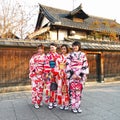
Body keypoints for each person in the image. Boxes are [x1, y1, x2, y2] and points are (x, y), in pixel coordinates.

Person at [68, 41, 89, 113]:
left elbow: (85, 65)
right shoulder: (70, 55)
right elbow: (68, 65)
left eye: (76, 46)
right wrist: (72, 74)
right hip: (72, 75)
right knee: (72, 92)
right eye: (73, 46)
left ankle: (78, 106)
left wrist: (80, 75)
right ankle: (73, 107)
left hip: (80, 75)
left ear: (79, 46)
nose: (75, 47)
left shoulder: (83, 55)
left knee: (79, 92)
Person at [29, 44, 45, 109]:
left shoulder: (45, 57)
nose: (40, 50)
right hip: (35, 75)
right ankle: (35, 102)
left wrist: (42, 71)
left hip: (42, 74)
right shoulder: (34, 56)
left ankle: (39, 101)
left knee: (41, 88)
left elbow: (46, 65)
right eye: (38, 49)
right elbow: (31, 64)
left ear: (43, 50)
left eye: (41, 49)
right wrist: (35, 70)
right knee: (35, 88)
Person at [44, 43, 60, 109]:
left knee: (56, 88)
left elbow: (60, 65)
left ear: (56, 48)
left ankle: (55, 101)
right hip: (50, 74)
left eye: (53, 47)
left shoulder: (59, 56)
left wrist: (58, 72)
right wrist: (49, 72)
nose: (51, 49)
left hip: (57, 74)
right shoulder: (47, 56)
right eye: (50, 47)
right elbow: (46, 64)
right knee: (50, 88)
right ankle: (50, 102)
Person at [56, 44, 70, 110]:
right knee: (61, 90)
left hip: (67, 75)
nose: (63, 50)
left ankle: (66, 104)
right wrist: (59, 73)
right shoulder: (59, 58)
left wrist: (68, 73)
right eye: (62, 49)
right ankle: (62, 103)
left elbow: (72, 66)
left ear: (67, 49)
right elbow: (57, 67)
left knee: (66, 90)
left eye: (64, 49)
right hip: (60, 75)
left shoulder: (70, 57)